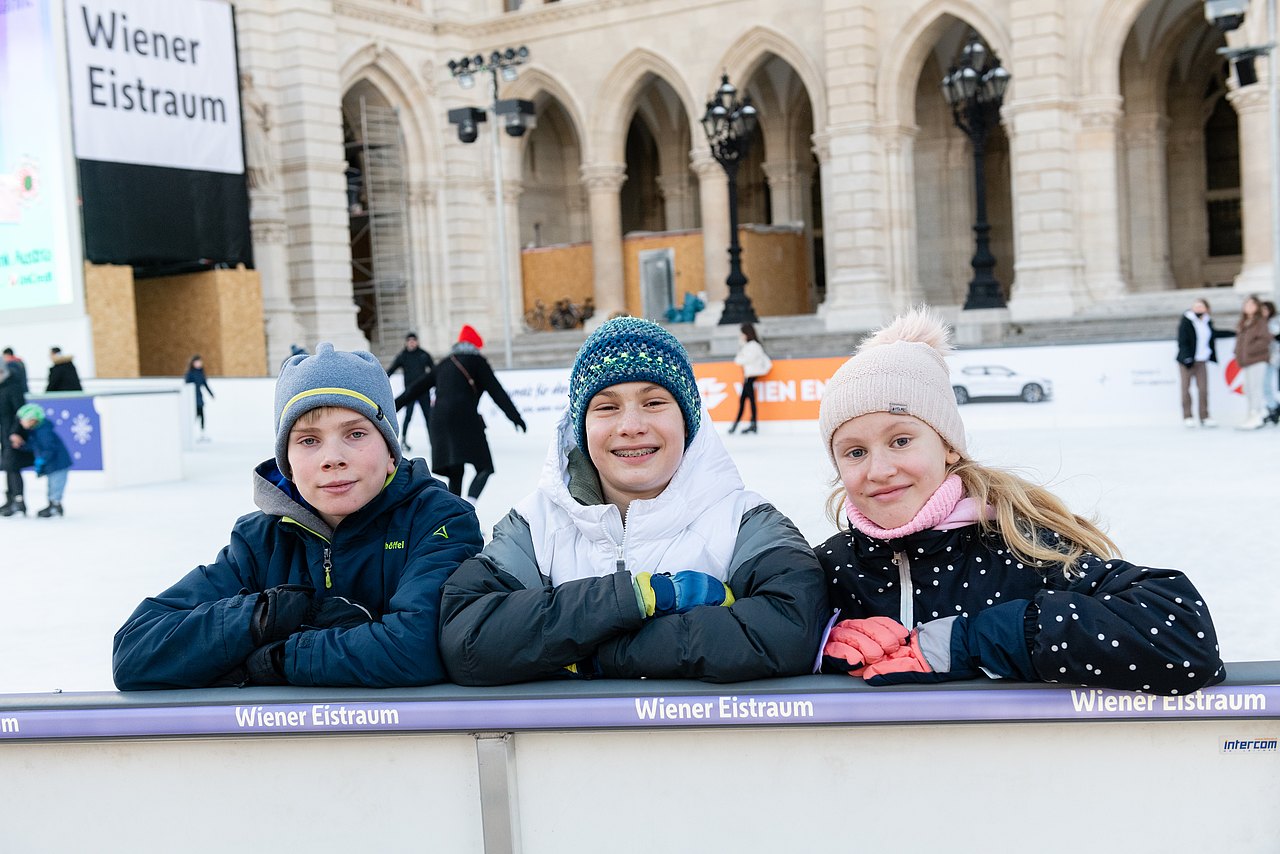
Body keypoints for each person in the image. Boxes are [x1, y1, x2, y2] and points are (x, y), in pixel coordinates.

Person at [815, 308, 1224, 695]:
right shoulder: (821, 571)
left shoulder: (1023, 550)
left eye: (901, 441)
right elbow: (756, 639)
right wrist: (811, 646)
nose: (879, 469)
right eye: (855, 452)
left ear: (948, 446)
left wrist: (978, 640)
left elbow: (1184, 636)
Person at [439, 316, 827, 685]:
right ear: (582, 426)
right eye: (607, 407)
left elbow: (792, 629)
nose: (631, 426)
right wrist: (635, 598)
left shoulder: (745, 521)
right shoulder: (532, 525)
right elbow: (467, 637)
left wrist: (594, 653)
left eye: (654, 402)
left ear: (687, 419)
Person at [112, 343, 483, 689]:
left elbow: (417, 648)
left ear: (390, 452)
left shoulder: (440, 521)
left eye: (355, 433)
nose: (332, 457)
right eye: (308, 440)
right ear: (286, 462)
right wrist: (265, 616)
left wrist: (273, 658)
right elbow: (135, 652)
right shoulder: (260, 541)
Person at [423, 324, 526, 503]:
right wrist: (516, 418)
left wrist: (389, 409)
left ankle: (454, 517)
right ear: (475, 346)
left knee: (456, 472)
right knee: (484, 467)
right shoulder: (478, 362)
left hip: (439, 422)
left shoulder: (445, 363)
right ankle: (468, 508)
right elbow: (497, 392)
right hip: (466, 420)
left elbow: (414, 390)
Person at [11, 403, 72, 517]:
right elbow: (35, 445)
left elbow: (49, 448)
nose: (21, 422)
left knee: (56, 484)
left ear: (32, 420)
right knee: (52, 484)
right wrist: (22, 445)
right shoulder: (36, 431)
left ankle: (55, 505)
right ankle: (52, 503)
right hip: (53, 464)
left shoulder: (43, 432)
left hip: (58, 463)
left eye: (23, 420)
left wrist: (43, 459)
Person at [1175, 298, 1222, 428]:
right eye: (1196, 306)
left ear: (1206, 308)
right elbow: (1182, 341)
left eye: (1201, 306)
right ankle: (1188, 416)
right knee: (1186, 388)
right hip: (1187, 361)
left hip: (1202, 360)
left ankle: (1204, 416)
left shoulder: (1207, 322)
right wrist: (1187, 358)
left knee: (1203, 389)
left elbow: (1213, 335)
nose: (1198, 309)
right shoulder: (1186, 321)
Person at [385, 332, 435, 452]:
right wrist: (382, 381)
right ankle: (404, 440)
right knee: (408, 416)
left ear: (417, 342)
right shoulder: (403, 356)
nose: (412, 343)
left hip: (424, 391)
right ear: (406, 342)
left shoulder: (424, 355)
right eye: (409, 340)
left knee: (429, 417)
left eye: (414, 340)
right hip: (410, 392)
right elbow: (391, 370)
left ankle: (434, 441)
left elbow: (435, 371)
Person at [0, 356, 32, 517]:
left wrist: (16, 433)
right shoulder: (2, 387)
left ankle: (19, 501)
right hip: (4, 434)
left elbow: (21, 413)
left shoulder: (13, 386)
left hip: (13, 435)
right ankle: (10, 499)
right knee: (7, 466)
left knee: (13, 466)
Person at [1233, 295, 1270, 430]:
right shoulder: (1243, 323)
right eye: (1246, 304)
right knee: (1248, 389)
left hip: (1257, 359)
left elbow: (1265, 340)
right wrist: (1238, 353)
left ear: (1257, 307)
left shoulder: (1260, 321)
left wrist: (1249, 350)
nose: (1248, 307)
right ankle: (1250, 414)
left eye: (1251, 304)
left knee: (1256, 388)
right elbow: (1240, 342)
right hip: (1246, 361)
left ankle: (1256, 415)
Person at [730, 322, 771, 434]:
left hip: (750, 376)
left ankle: (741, 425)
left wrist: (742, 350)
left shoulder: (752, 346)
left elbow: (741, 360)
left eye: (742, 334)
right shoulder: (749, 346)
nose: (740, 336)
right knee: (746, 400)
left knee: (746, 400)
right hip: (748, 376)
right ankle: (749, 424)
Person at [184, 355, 215, 441]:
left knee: (202, 416)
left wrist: (211, 394)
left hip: (199, 398)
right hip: (192, 399)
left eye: (200, 362)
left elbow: (205, 384)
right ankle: (190, 434)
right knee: (194, 416)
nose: (199, 363)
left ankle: (202, 433)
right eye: (197, 362)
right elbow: (187, 386)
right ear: (193, 363)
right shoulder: (190, 374)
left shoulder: (201, 373)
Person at [1264, 301, 1280, 425]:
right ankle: (1273, 408)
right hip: (1267, 358)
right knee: (1266, 385)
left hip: (1276, 357)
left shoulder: (1275, 321)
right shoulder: (1259, 323)